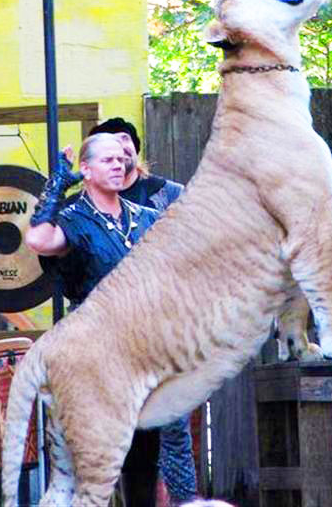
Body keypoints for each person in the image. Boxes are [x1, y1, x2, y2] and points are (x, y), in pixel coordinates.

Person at [85, 118, 196, 507]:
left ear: (135, 149)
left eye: (126, 142)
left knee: (173, 431)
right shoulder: (85, 208)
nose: (121, 151)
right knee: (127, 441)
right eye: (111, 145)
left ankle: (185, 503)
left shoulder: (167, 194)